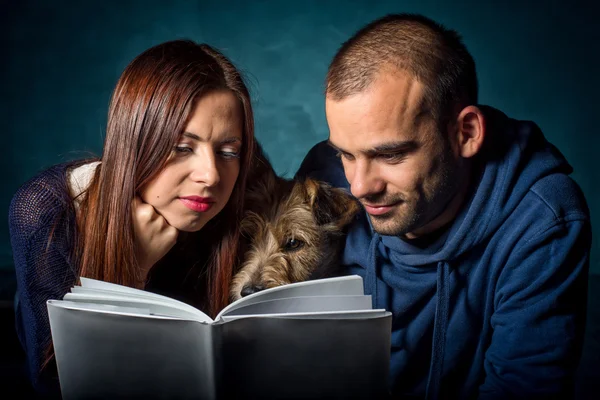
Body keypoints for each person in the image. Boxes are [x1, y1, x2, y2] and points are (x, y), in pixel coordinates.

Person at [297, 14, 591, 399]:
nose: (359, 187)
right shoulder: (325, 179)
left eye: (390, 154)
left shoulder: (542, 220)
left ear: (465, 133)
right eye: (346, 155)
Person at [8, 40, 255, 396]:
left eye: (228, 152)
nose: (211, 175)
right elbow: (55, 386)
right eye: (182, 148)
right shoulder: (48, 209)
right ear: (136, 142)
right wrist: (132, 272)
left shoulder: (239, 202)